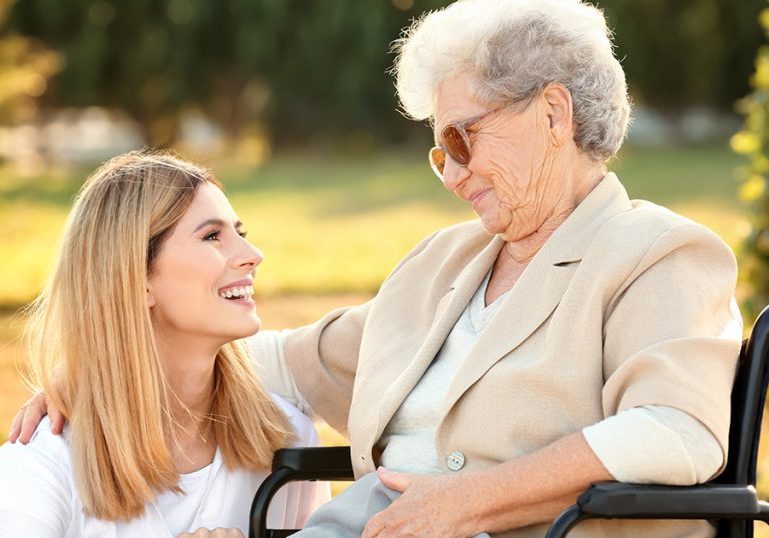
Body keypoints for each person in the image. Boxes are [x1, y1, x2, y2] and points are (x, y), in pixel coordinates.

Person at [11, 0, 742, 536]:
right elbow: (282, 362)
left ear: (552, 115)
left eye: (463, 141)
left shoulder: (656, 254)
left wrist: (472, 499)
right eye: (437, 153)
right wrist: (102, 368)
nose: (451, 176)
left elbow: (673, 430)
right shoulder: (444, 265)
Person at [0, 152, 327, 537]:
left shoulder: (286, 438)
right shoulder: (42, 467)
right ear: (136, 280)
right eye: (212, 236)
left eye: (240, 233)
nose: (252, 256)